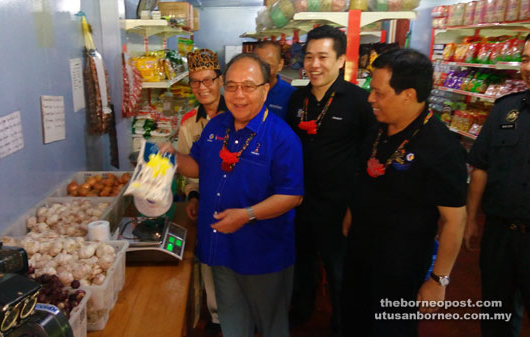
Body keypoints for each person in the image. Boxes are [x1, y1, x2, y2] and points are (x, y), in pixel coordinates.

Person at [161, 53, 304, 337]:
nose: (239, 95)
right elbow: (198, 165)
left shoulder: (282, 138)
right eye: (232, 86)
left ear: (265, 89)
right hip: (220, 247)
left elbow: (292, 196)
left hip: (262, 254)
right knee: (232, 322)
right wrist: (173, 157)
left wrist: (247, 215)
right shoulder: (216, 126)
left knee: (271, 326)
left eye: (248, 86)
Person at [341, 49, 468, 337]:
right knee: (353, 320)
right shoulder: (378, 127)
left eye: (378, 92)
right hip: (360, 251)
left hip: (400, 265)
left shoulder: (441, 148)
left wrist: (439, 280)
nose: (370, 98)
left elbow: (454, 221)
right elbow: (364, 175)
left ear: (408, 95)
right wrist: (352, 212)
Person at [285, 25, 376, 333]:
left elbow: (369, 159)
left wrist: (357, 207)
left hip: (339, 208)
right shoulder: (298, 100)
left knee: (340, 274)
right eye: (309, 56)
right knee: (303, 266)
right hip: (299, 202)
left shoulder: (359, 102)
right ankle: (302, 312)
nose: (314, 64)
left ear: (340, 60)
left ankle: (342, 324)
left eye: (323, 56)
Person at [464, 33, 530, 337]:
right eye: (526, 59)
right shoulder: (505, 109)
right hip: (500, 233)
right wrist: (471, 219)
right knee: (496, 314)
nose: (527, 67)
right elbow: (482, 168)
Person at [177, 48, 226, 335]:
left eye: (208, 80)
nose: (202, 87)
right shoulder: (187, 125)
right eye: (195, 81)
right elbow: (187, 168)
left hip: (237, 200)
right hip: (208, 203)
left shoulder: (237, 112)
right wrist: (193, 194)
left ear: (220, 80)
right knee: (208, 259)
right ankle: (217, 318)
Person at [254, 41, 296, 120]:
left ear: (280, 65)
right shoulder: (245, 90)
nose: (261, 70)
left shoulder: (291, 95)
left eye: (267, 65)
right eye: (257, 64)